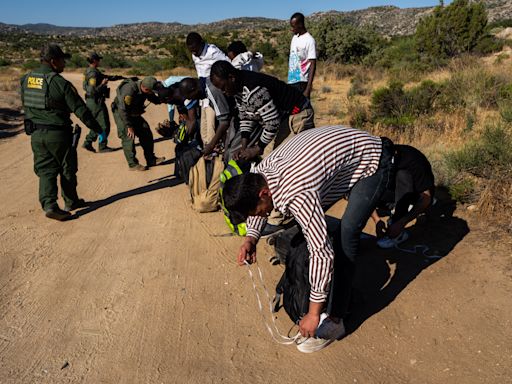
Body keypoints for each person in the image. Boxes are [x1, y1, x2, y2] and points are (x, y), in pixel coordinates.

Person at [221, 125, 394, 353]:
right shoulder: (260, 173)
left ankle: (335, 320)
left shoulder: (297, 193)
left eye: (257, 212)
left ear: (264, 193)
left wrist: (314, 314)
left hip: (373, 159)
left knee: (346, 236)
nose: (260, 217)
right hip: (345, 155)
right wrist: (251, 239)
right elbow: (264, 208)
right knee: (313, 227)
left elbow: (321, 252)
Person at [20, 43, 104, 221]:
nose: (64, 64)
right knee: (67, 168)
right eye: (61, 60)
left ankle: (50, 205)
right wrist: (97, 129)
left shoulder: (26, 79)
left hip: (36, 134)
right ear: (52, 61)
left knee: (46, 170)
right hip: (58, 134)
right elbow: (80, 110)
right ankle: (70, 201)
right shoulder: (60, 83)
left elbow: (26, 104)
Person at [210, 60, 315, 162]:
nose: (223, 92)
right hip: (283, 118)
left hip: (297, 114)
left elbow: (272, 123)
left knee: (284, 160)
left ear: (231, 78)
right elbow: (246, 116)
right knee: (268, 161)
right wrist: (244, 147)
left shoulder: (254, 90)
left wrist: (257, 148)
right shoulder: (238, 89)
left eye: (223, 87)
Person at [371, 144, 435, 248]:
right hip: (394, 190)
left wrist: (401, 222)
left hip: (416, 193)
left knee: (403, 175)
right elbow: (365, 193)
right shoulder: (376, 160)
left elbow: (426, 198)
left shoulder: (414, 161)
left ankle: (398, 231)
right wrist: (377, 220)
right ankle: (394, 207)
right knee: (371, 186)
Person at [111, 76, 165, 171]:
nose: (152, 93)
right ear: (145, 88)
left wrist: (166, 98)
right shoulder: (129, 89)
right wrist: (129, 126)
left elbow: (154, 99)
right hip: (122, 113)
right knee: (128, 136)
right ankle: (133, 164)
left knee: (146, 132)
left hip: (133, 112)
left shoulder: (145, 88)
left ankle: (151, 159)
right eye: (151, 91)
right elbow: (122, 110)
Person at [186, 32, 229, 147]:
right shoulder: (194, 54)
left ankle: (212, 148)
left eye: (195, 49)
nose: (194, 53)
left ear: (201, 43)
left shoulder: (213, 52)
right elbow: (200, 72)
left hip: (215, 91)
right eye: (191, 51)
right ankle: (206, 146)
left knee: (211, 124)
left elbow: (228, 66)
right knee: (203, 125)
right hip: (203, 93)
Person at [179, 77, 233, 156]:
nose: (191, 99)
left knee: (231, 152)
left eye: (190, 97)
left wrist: (211, 145)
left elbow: (224, 122)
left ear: (194, 89)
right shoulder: (205, 86)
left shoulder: (211, 90)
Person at [81, 52, 119, 153]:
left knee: (97, 123)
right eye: (98, 59)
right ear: (94, 61)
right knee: (104, 125)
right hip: (96, 102)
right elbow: (92, 90)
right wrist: (103, 84)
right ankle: (102, 146)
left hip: (91, 101)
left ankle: (88, 142)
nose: (99, 61)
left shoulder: (88, 71)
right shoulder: (93, 73)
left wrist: (115, 77)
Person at [288, 12, 317, 99]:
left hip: (302, 81)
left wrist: (308, 89)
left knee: (300, 107)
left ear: (300, 24)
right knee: (293, 108)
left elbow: (313, 64)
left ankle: (309, 111)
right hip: (292, 80)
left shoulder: (309, 40)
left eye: (293, 26)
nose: (292, 29)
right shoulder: (295, 38)